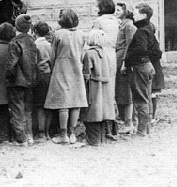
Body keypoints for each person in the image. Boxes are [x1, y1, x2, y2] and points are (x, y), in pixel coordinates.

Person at [44, 9, 87, 145]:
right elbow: (82, 53)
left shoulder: (59, 34)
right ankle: (72, 133)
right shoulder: (81, 34)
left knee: (63, 103)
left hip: (61, 69)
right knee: (75, 102)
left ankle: (63, 135)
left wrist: (53, 67)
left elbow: (52, 55)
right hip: (76, 69)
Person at [6, 14, 41, 146]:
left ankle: (21, 138)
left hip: (16, 82)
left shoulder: (14, 42)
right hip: (30, 81)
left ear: (17, 26)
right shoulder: (32, 41)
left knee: (17, 109)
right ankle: (30, 136)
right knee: (28, 110)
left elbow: (11, 65)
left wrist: (9, 78)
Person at [124, 3, 158, 136]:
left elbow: (141, 49)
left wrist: (128, 59)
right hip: (148, 65)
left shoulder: (141, 31)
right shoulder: (149, 28)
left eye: (136, 13)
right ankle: (146, 129)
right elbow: (156, 51)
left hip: (140, 67)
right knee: (147, 98)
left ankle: (142, 131)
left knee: (140, 99)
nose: (133, 15)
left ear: (143, 15)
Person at [81, 29, 115, 146]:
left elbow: (86, 73)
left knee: (92, 111)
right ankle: (102, 139)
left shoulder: (89, 54)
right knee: (103, 112)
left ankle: (93, 141)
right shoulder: (106, 53)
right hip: (106, 86)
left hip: (94, 86)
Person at [92, 0, 120, 140]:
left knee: (101, 89)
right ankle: (113, 126)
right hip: (112, 54)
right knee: (111, 88)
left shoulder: (99, 21)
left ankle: (102, 126)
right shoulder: (116, 21)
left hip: (101, 53)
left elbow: (93, 38)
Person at [115, 3, 137, 135]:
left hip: (123, 60)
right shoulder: (122, 24)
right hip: (118, 59)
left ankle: (129, 123)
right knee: (121, 92)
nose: (116, 12)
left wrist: (125, 62)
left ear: (125, 11)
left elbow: (130, 45)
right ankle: (126, 121)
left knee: (126, 93)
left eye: (119, 10)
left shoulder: (129, 25)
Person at [32, 21, 52, 141]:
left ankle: (40, 133)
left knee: (39, 106)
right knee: (48, 105)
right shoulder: (49, 45)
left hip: (38, 76)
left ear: (35, 32)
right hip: (48, 75)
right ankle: (47, 132)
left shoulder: (34, 45)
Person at [149, 22, 165, 125]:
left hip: (153, 70)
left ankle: (151, 117)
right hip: (153, 69)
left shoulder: (152, 40)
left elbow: (157, 53)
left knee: (152, 93)